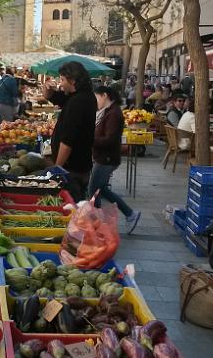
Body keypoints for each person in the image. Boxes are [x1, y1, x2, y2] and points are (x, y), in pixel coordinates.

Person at [88, 86, 141, 232]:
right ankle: (129, 214)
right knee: (101, 189)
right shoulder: (108, 112)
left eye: (97, 98)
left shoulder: (114, 114)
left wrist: (89, 140)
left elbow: (110, 139)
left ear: (105, 96)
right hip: (104, 156)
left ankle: (97, 222)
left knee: (94, 189)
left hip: (107, 158)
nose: (95, 101)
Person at [43, 61, 97, 202]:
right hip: (80, 166)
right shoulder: (83, 96)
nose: (60, 84)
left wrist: (58, 168)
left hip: (71, 169)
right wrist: (48, 89)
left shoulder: (77, 102)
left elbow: (67, 141)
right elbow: (50, 96)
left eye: (62, 79)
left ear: (72, 80)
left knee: (71, 209)